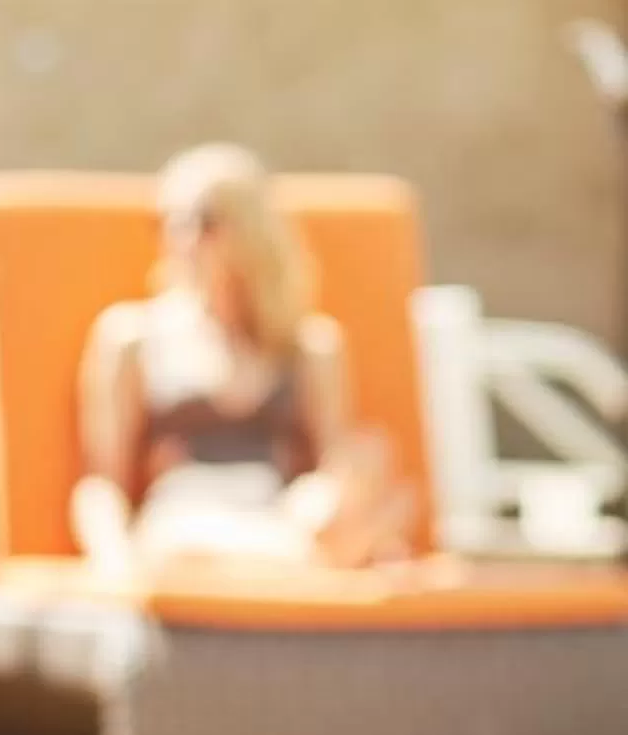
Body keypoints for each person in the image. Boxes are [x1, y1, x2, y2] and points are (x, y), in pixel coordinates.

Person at [71, 143, 417, 573]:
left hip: (279, 514)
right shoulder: (131, 338)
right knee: (208, 546)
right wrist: (115, 561)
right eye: (165, 222)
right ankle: (310, 560)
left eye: (204, 221)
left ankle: (316, 556)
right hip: (184, 520)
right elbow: (101, 483)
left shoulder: (310, 346)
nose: (182, 239)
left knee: (367, 460)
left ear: (250, 228)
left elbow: (334, 468)